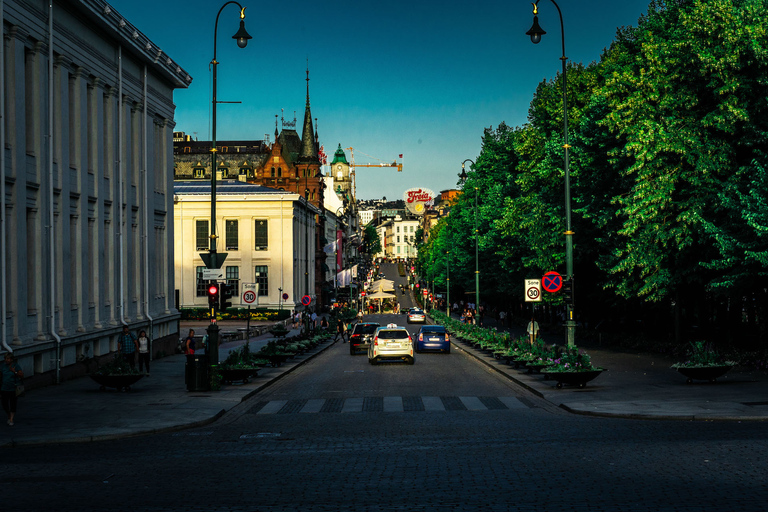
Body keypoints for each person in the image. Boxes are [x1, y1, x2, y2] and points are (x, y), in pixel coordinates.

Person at [1, 353, 23, 426]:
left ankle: (11, 419)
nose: (6, 360)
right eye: (5, 359)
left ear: (11, 359)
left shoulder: (16, 366)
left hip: (13, 388)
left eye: (8, 359)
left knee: (13, 403)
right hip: (4, 388)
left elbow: (21, 375)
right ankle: (9, 414)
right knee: (4, 404)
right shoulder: (2, 366)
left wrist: (14, 371)